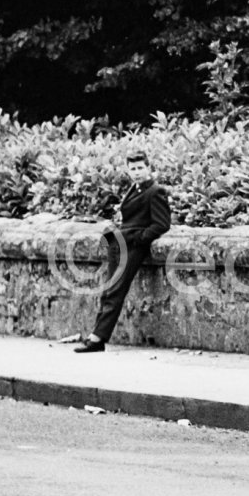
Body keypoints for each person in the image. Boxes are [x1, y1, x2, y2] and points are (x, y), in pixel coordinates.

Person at [75, 151, 171, 353]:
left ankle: (98, 338)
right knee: (108, 289)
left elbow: (162, 224)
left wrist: (139, 239)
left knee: (116, 290)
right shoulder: (133, 189)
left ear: (148, 168)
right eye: (133, 168)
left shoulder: (155, 191)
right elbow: (128, 220)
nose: (137, 172)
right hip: (119, 244)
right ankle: (96, 335)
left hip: (134, 248)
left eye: (140, 168)